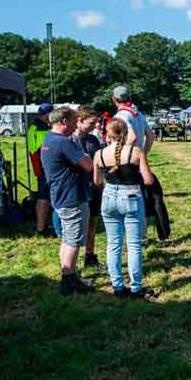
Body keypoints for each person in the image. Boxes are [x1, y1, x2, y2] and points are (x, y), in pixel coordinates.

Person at [93, 117, 156, 298]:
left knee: (113, 244)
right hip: (131, 196)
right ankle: (136, 287)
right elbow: (148, 180)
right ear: (126, 133)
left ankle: (118, 287)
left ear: (107, 134)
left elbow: (97, 181)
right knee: (134, 245)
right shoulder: (136, 153)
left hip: (109, 197)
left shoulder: (99, 154)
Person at [40, 107, 95, 294]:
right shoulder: (65, 143)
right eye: (73, 121)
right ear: (63, 122)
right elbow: (88, 165)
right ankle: (68, 279)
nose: (75, 125)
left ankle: (69, 274)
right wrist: (84, 153)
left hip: (60, 195)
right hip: (72, 196)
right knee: (74, 240)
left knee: (66, 238)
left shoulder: (48, 138)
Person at [73, 107, 103, 269]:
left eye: (96, 123)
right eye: (91, 123)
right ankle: (72, 266)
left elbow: (100, 162)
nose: (95, 126)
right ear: (79, 120)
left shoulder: (93, 140)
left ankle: (90, 256)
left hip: (94, 186)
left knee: (93, 222)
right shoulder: (69, 140)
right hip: (77, 188)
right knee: (77, 228)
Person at [28, 103, 53, 236]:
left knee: (43, 197)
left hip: (41, 166)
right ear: (46, 115)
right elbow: (34, 148)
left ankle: (42, 225)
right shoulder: (39, 128)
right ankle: (41, 228)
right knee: (44, 197)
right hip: (44, 166)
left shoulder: (35, 127)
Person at [112, 85, 155, 154]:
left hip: (126, 161)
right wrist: (142, 154)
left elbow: (132, 137)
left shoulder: (120, 116)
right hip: (137, 159)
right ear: (130, 98)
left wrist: (120, 156)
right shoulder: (139, 114)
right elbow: (151, 136)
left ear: (113, 99)